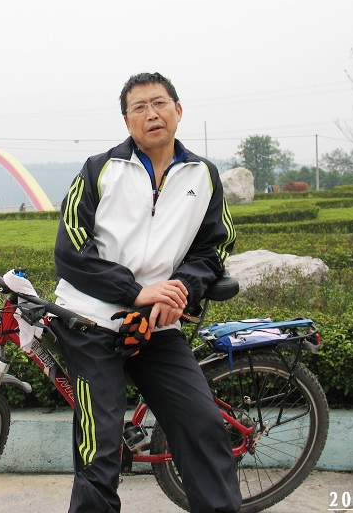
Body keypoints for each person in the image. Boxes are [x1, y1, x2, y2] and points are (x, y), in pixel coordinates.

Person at [50, 72, 241, 513]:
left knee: (203, 426)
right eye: (139, 107)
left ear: (178, 110)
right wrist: (135, 291)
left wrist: (181, 290)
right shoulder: (99, 169)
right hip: (89, 321)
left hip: (157, 325)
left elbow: (214, 247)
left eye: (159, 103)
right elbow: (71, 250)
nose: (151, 114)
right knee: (100, 444)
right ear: (126, 120)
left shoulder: (203, 175)